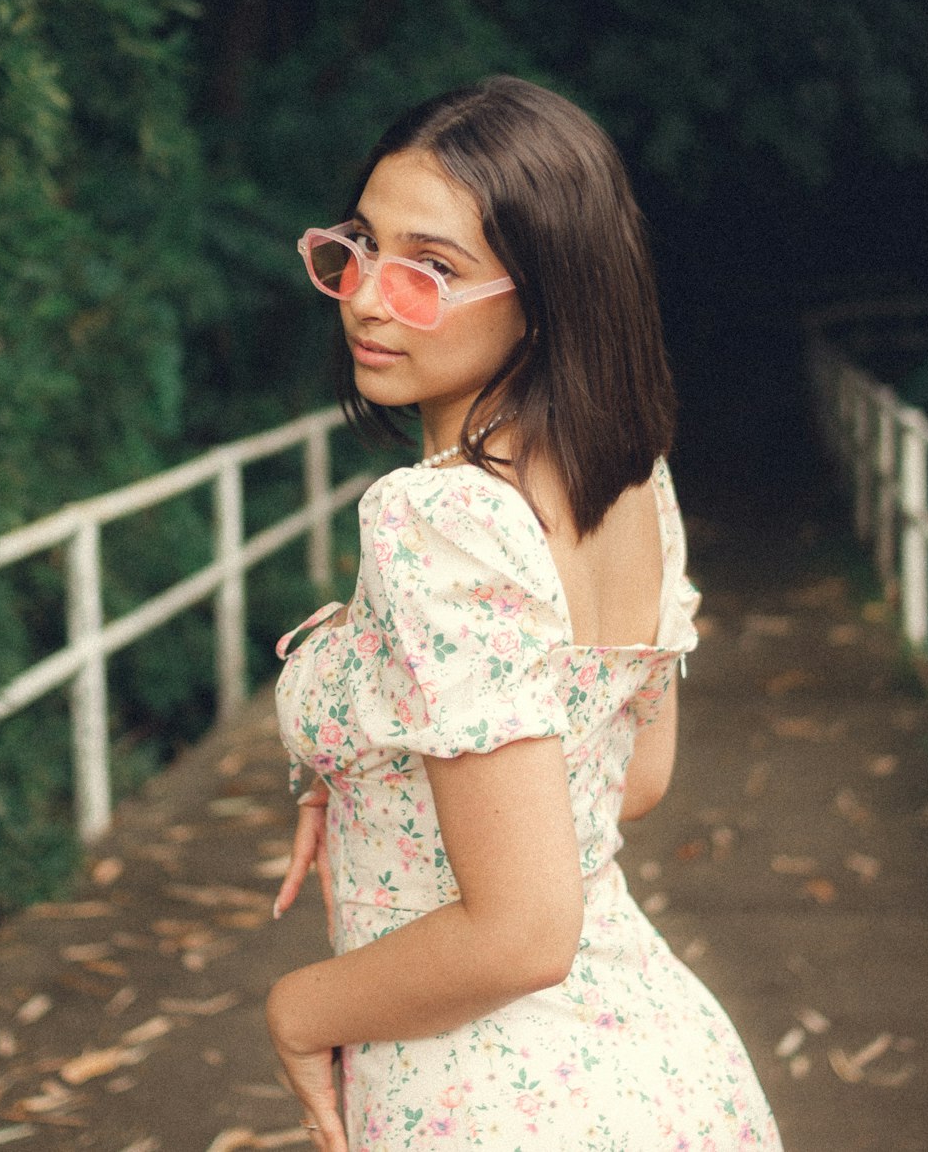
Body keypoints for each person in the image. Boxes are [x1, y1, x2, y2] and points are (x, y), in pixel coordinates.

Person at [267, 77, 783, 1152]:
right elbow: (627, 779)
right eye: (360, 247)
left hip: (489, 1093)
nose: (367, 296)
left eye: (431, 270)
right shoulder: (631, 477)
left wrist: (299, 1008)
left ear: (543, 296)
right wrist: (368, 775)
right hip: (659, 1066)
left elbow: (523, 935)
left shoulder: (439, 515)